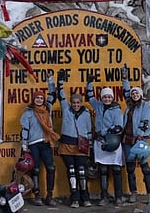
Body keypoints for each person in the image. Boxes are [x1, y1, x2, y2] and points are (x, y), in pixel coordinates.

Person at [20, 73, 59, 206]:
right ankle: (37, 195)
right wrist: (24, 145)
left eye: (41, 98)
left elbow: (53, 94)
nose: (39, 100)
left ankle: (50, 195)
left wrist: (50, 80)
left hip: (46, 142)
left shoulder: (47, 108)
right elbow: (25, 129)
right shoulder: (29, 112)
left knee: (51, 168)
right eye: (37, 98)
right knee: (35, 169)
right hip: (33, 144)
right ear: (34, 99)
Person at [56, 69, 93, 208]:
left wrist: (90, 148)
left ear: (81, 103)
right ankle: (74, 199)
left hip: (81, 146)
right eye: (74, 102)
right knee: (71, 171)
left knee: (82, 172)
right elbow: (61, 95)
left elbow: (89, 130)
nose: (76, 105)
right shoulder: (66, 109)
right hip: (66, 145)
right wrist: (59, 81)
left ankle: (85, 198)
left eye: (78, 102)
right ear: (71, 103)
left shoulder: (86, 113)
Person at [86, 75, 124, 206]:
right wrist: (89, 83)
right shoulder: (98, 106)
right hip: (100, 142)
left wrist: (108, 132)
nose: (107, 99)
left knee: (116, 169)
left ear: (112, 98)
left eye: (109, 97)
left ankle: (118, 196)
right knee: (102, 170)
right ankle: (104, 196)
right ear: (101, 98)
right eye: (104, 97)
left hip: (112, 141)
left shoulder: (117, 109)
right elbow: (89, 96)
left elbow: (119, 126)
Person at [120, 66, 150, 203]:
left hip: (139, 139)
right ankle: (133, 192)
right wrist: (124, 79)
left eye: (137, 94)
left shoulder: (145, 106)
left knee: (145, 167)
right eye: (133, 94)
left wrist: (140, 135)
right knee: (130, 167)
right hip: (127, 139)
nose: (134, 95)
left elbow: (145, 121)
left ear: (140, 95)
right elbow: (126, 91)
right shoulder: (130, 106)